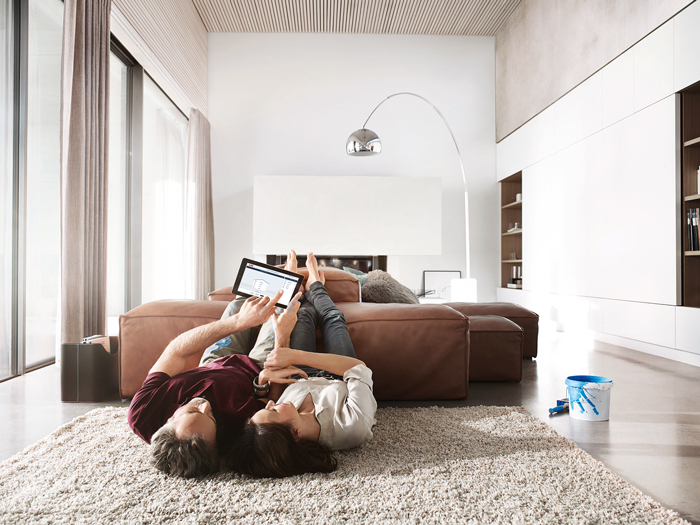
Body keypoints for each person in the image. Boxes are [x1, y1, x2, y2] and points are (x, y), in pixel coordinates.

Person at [127, 252, 306, 478]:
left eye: (193, 409)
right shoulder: (236, 437)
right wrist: (282, 336)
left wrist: (237, 322)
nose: (205, 405)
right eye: (211, 417)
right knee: (283, 308)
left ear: (169, 419)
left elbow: (176, 351)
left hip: (214, 360)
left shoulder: (143, 413)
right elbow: (272, 399)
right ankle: (292, 279)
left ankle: (278, 278)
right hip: (258, 367)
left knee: (243, 302)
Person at [228, 253, 377, 478]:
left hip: (301, 376)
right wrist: (295, 355)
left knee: (304, 314)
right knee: (333, 318)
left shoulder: (283, 415)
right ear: (295, 434)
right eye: (273, 410)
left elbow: (270, 396)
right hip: (341, 375)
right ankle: (316, 285)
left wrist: (263, 381)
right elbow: (358, 370)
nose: (270, 404)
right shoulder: (351, 426)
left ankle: (295, 284)